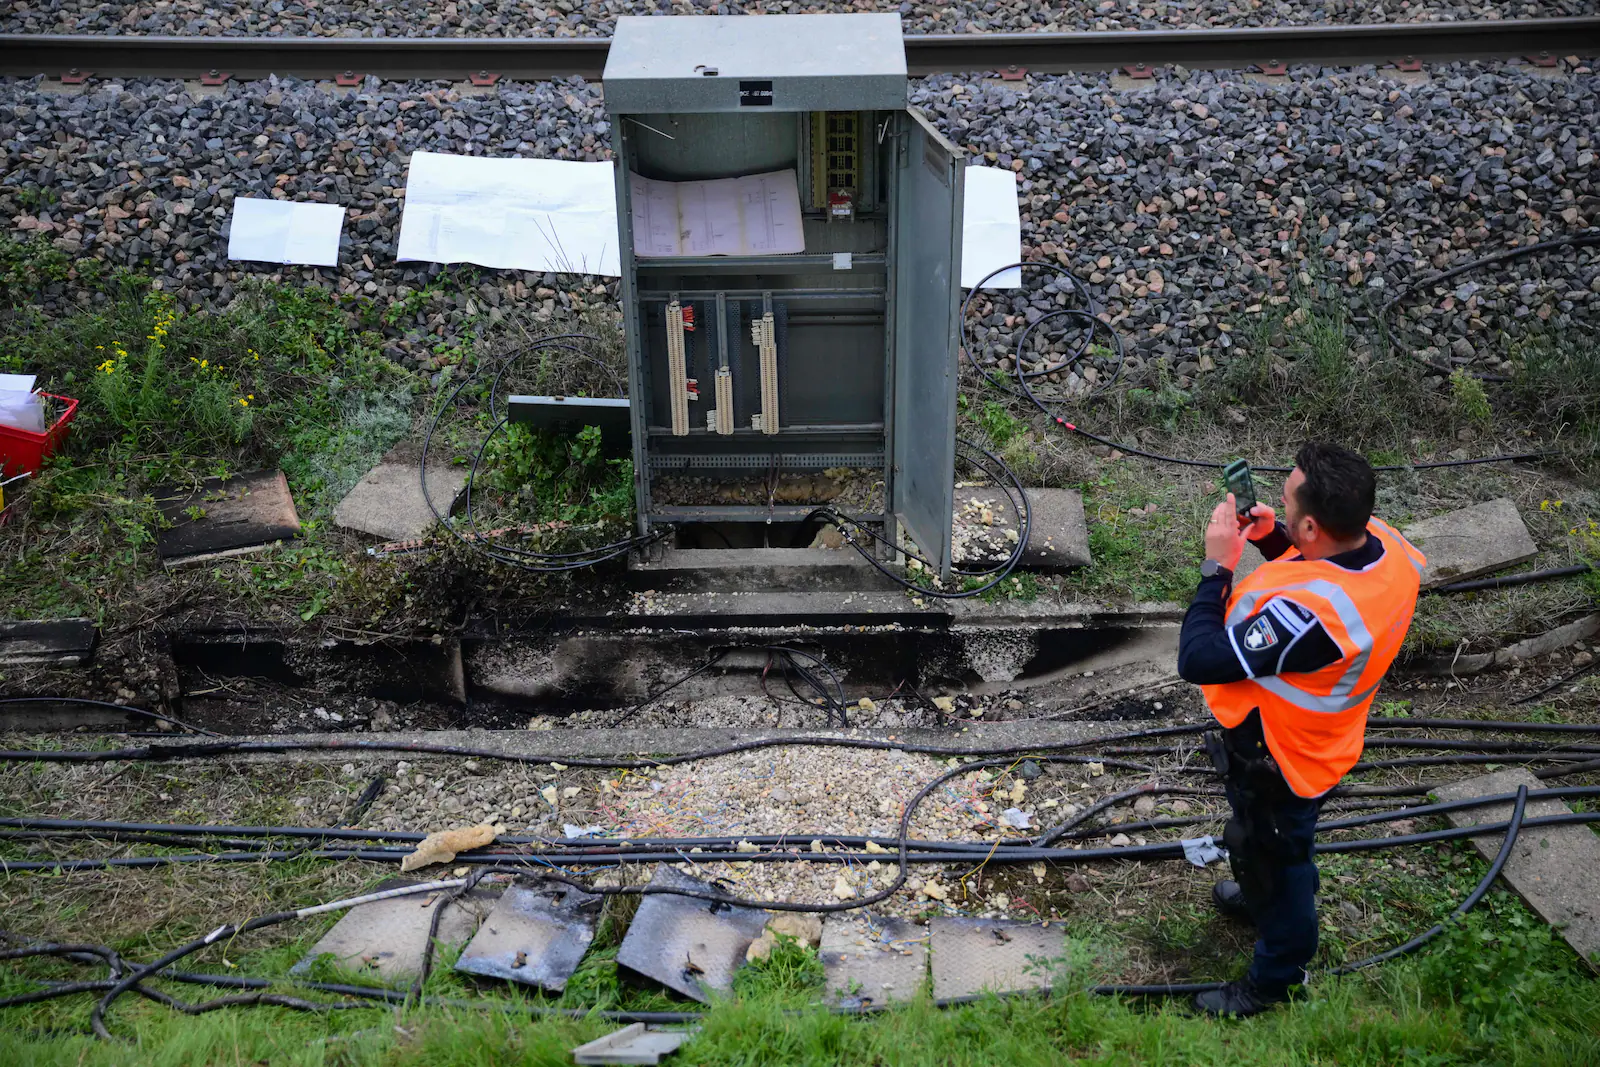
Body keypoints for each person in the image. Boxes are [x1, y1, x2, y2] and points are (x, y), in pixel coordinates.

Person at [1176, 441, 1427, 1017]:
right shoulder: (1383, 543)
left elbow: (1200, 658)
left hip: (1282, 758)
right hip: (1325, 739)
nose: (1281, 506)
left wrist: (1218, 566)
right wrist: (1272, 539)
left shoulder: (1314, 617)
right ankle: (1264, 897)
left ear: (1312, 524)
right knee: (1279, 839)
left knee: (1274, 856)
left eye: (1287, 503)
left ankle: (1277, 976)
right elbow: (1326, 566)